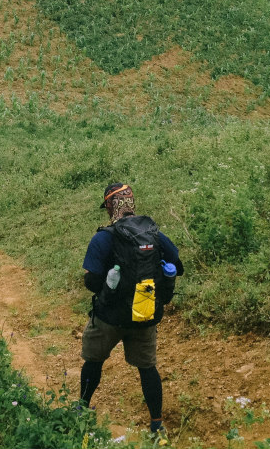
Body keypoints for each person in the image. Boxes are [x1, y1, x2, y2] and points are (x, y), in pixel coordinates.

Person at [80, 182, 183, 437]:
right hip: (144, 313)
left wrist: (111, 283)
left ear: (110, 207)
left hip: (108, 317)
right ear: (131, 203)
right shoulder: (154, 233)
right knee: (147, 369)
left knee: (93, 361)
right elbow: (177, 267)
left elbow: (91, 281)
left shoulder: (105, 236)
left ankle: (81, 410)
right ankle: (157, 424)